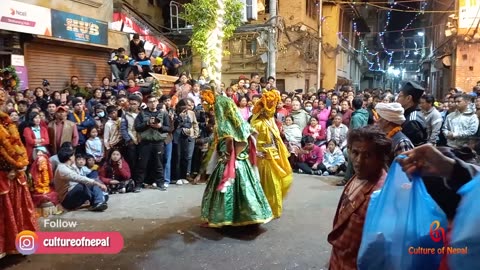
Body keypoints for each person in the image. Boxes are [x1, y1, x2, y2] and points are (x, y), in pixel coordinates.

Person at [200, 92, 273, 227]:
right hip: (242, 162)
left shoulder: (224, 125)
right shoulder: (241, 123)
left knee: (227, 190)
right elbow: (253, 133)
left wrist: (231, 155)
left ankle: (227, 218)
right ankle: (249, 216)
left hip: (230, 161)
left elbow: (231, 140)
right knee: (246, 189)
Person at [328, 126, 392, 270]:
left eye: (367, 155)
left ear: (380, 158)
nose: (358, 161)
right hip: (339, 259)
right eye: (355, 152)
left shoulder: (381, 195)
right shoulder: (358, 176)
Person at [0, 90, 38, 259]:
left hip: (14, 174)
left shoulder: (8, 123)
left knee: (18, 210)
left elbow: (16, 147)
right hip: (3, 174)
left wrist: (19, 166)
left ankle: (16, 244)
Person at [250, 90, 293, 219]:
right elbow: (250, 141)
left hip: (274, 155)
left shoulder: (271, 121)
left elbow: (276, 139)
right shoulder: (256, 123)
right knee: (266, 184)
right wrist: (256, 152)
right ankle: (263, 209)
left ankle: (272, 208)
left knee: (277, 182)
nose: (272, 110)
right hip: (262, 157)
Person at [134, 95, 170, 191]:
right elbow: (137, 127)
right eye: (150, 101)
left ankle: (160, 184)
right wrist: (147, 124)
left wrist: (160, 127)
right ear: (147, 103)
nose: (153, 103)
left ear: (157, 102)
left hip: (158, 142)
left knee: (159, 164)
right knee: (142, 164)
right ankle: (138, 184)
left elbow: (168, 128)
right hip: (145, 142)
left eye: (154, 101)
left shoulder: (164, 114)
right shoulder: (142, 114)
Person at [54, 147, 108, 211]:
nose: (74, 157)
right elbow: (79, 178)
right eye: (73, 155)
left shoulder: (71, 165)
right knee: (82, 186)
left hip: (75, 193)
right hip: (67, 200)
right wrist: (98, 184)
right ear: (70, 157)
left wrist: (96, 183)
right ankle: (98, 200)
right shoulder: (62, 169)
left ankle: (98, 202)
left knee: (93, 181)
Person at [396, 81, 428, 146]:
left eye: (400, 97)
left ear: (408, 98)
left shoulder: (412, 120)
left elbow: (413, 148)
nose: (397, 100)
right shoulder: (408, 114)